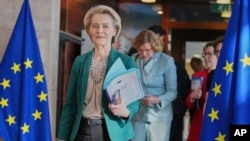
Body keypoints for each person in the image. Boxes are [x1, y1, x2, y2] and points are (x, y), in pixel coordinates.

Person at [57, 5, 140, 141]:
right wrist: (62, 137)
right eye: (95, 26)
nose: (100, 30)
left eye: (106, 26)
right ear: (89, 30)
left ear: (115, 30)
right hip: (82, 131)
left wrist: (126, 111)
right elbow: (70, 103)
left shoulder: (126, 62)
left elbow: (136, 100)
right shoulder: (80, 61)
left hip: (113, 132)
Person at [131, 30, 177, 141]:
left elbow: (173, 92)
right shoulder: (133, 58)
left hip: (160, 115)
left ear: (155, 47)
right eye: (140, 50)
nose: (144, 54)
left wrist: (157, 99)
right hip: (138, 113)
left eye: (147, 50)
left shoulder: (167, 61)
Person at [185, 42, 218, 141]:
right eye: (205, 54)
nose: (206, 57)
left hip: (217, 119)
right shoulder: (197, 76)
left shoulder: (224, 76)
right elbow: (189, 104)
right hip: (199, 120)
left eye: (209, 54)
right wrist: (192, 96)